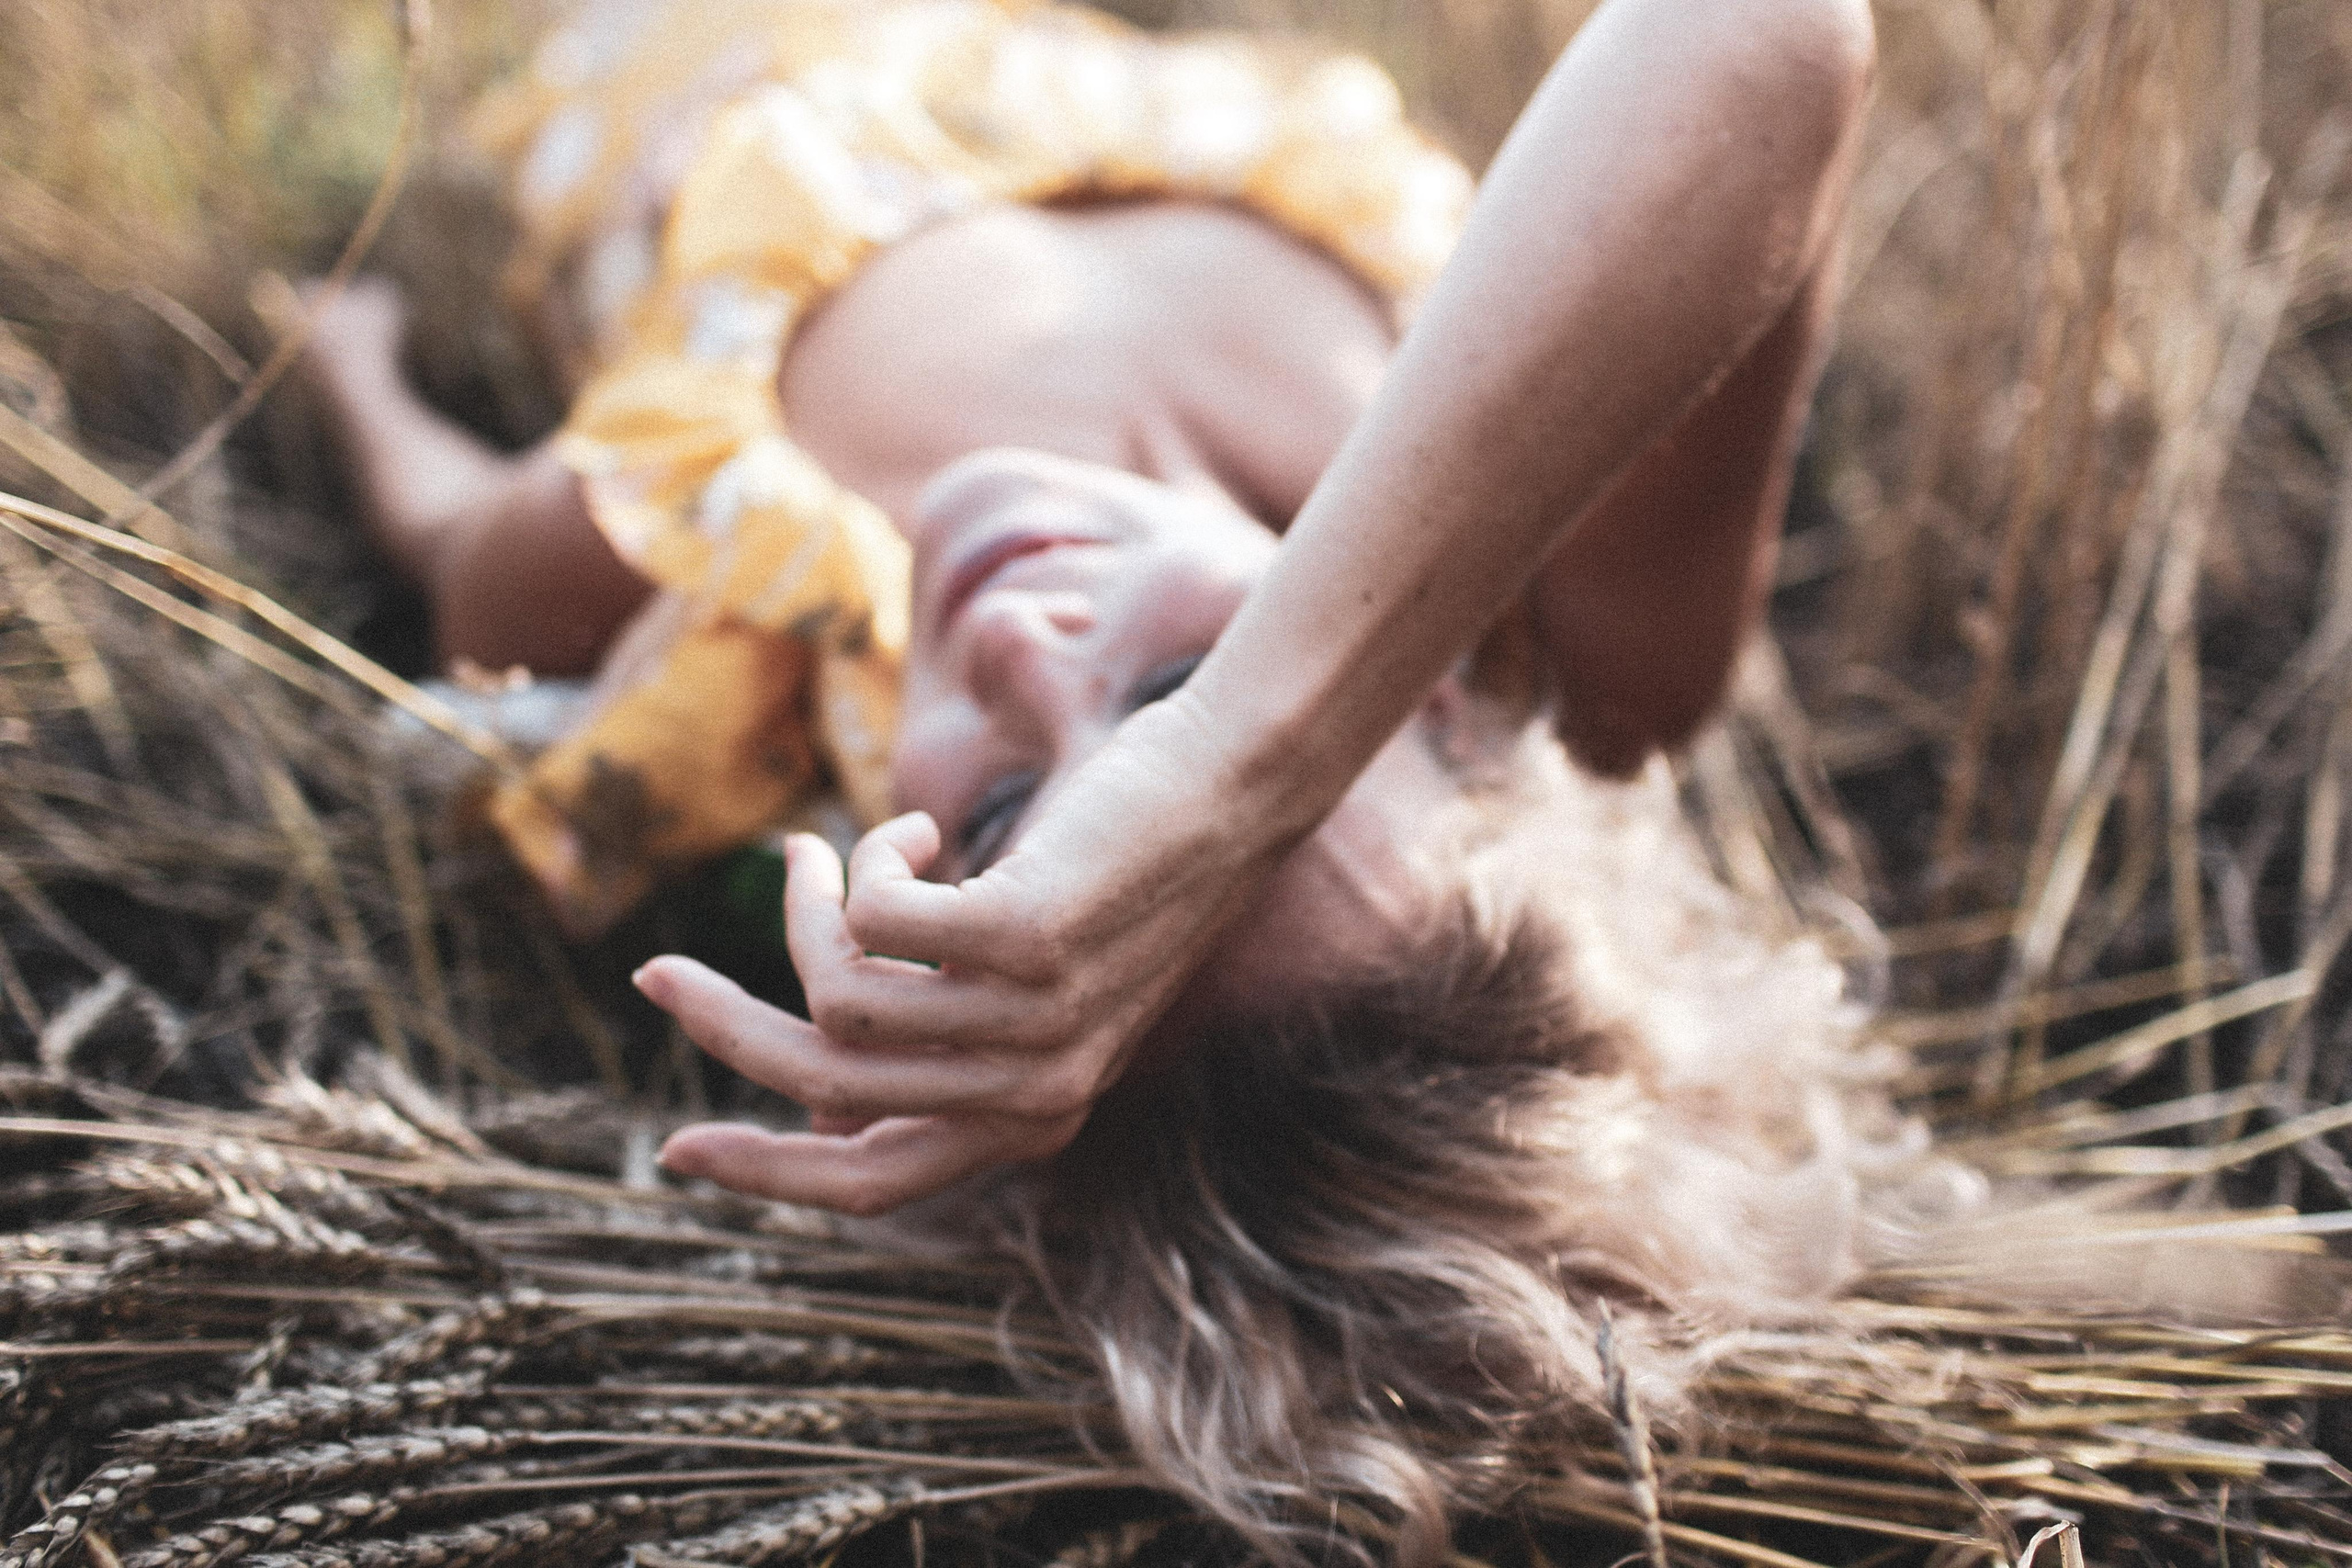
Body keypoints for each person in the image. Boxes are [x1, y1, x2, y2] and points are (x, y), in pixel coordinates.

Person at [309, 0, 1905, 1554]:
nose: (1018, 652)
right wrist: (1240, 769)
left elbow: (458, 553)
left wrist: (354, 373)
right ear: (1448, 728)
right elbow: (1769, 31)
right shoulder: (1586, 662)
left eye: (998, 814)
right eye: (1167, 693)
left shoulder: (726, 585)